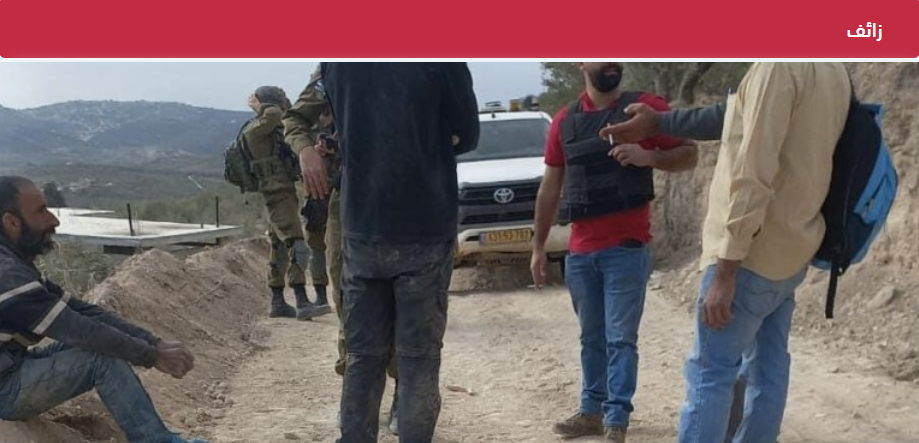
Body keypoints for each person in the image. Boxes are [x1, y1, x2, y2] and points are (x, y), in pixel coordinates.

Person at [649, 63, 848, 443]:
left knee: (710, 372)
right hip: (793, 246)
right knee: (768, 368)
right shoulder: (832, 67)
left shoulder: (776, 67)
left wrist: (726, 271)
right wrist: (661, 121)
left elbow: (753, 172)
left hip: (750, 255)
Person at [309, 62, 479, 443]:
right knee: (418, 359)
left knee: (363, 356)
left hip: (361, 224)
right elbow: (468, 135)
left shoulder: (336, 61)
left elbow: (342, 130)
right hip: (423, 225)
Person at [530, 62, 698, 443]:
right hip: (580, 254)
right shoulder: (564, 121)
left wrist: (648, 156)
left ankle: (616, 418)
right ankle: (591, 410)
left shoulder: (644, 110)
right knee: (592, 337)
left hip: (626, 249)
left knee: (620, 338)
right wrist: (538, 247)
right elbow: (550, 188)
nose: (611, 60)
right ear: (581, 62)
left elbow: (690, 154)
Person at [0, 175, 207, 443]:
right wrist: (151, 356)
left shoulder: (14, 266)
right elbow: (80, 330)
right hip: (5, 389)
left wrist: (153, 343)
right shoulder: (8, 275)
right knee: (101, 357)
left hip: (13, 365)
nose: (54, 220)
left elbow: (84, 312)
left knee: (101, 345)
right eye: (41, 211)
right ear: (12, 222)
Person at [282, 68, 400, 434]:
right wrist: (306, 151)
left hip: (405, 193)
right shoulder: (335, 67)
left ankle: (405, 390)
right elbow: (294, 119)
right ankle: (357, 395)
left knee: (404, 296)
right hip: (348, 195)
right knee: (349, 296)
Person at [243, 86, 330, 321]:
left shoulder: (268, 129)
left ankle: (278, 301)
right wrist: (262, 106)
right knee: (296, 243)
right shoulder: (258, 127)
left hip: (282, 191)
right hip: (276, 193)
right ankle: (302, 301)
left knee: (278, 245)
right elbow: (276, 115)